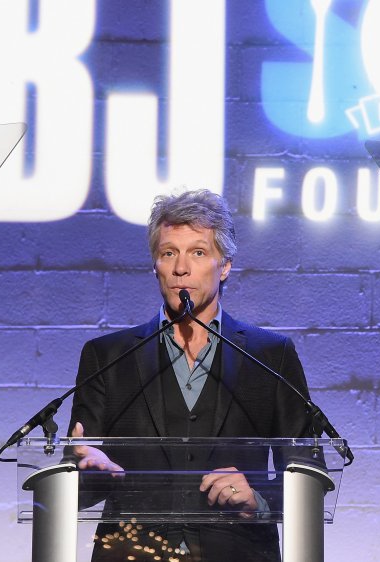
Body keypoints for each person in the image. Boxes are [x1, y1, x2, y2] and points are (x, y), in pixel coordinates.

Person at [67, 189, 314, 562]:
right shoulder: (107, 356)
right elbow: (78, 481)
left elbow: (309, 473)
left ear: (224, 265)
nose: (181, 267)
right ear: (156, 264)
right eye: (169, 253)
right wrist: (89, 472)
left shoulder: (271, 355)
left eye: (198, 252)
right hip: (133, 552)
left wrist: (258, 500)